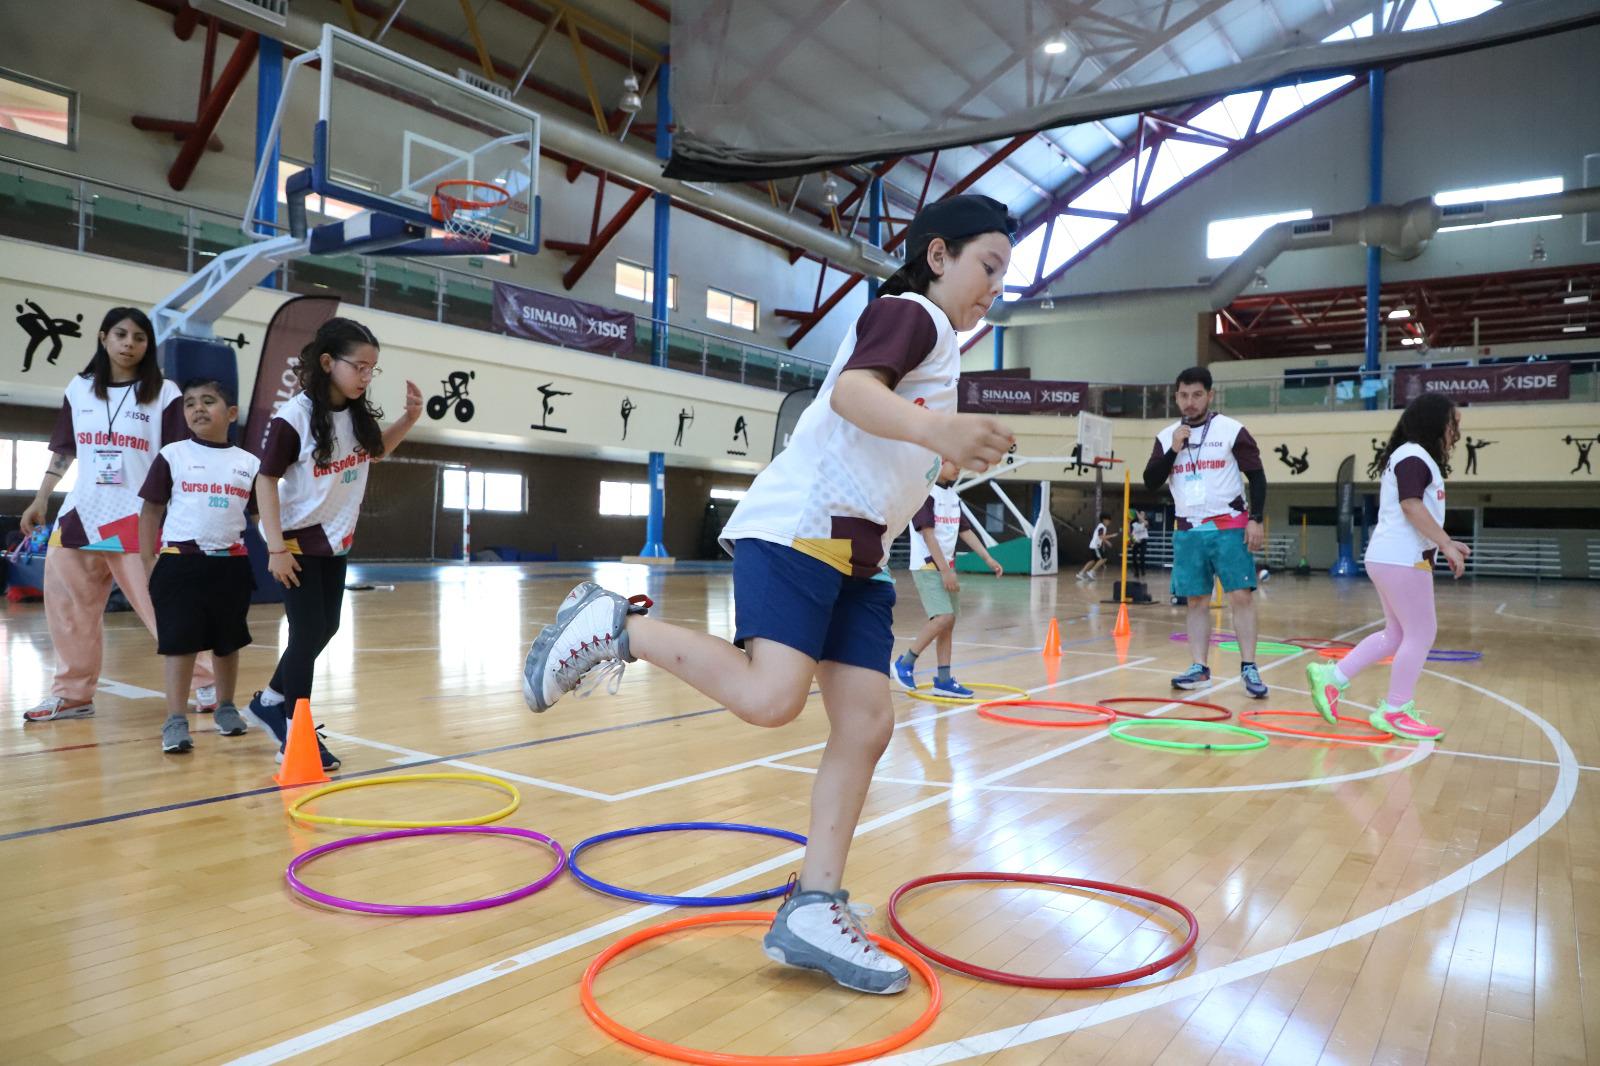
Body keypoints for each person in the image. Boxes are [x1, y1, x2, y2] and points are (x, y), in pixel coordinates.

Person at [521, 195, 1018, 995]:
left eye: (1003, 276)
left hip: (861, 553)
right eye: (988, 266)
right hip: (805, 527)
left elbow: (892, 436)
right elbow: (857, 393)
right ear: (938, 255)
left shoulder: (942, 351)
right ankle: (618, 624)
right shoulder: (913, 312)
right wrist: (937, 435)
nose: (994, 286)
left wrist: (946, 450)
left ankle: (813, 906)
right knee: (770, 697)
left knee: (867, 722)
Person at [18, 307, 219, 722]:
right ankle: (73, 694)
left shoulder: (165, 393)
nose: (129, 344)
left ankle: (208, 684)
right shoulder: (79, 388)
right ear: (104, 336)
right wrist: (41, 498)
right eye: (121, 335)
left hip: (138, 518)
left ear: (148, 346)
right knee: (69, 611)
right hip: (80, 514)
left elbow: (177, 458)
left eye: (139, 338)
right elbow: (65, 448)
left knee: (165, 606)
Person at [247, 318, 422, 770]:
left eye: (372, 370)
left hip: (336, 540)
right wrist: (276, 548)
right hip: (297, 541)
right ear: (328, 363)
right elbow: (265, 480)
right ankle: (294, 733)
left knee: (326, 629)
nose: (366, 377)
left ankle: (270, 700)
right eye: (359, 367)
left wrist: (409, 418)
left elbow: (374, 452)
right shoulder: (294, 418)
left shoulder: (356, 413)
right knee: (307, 633)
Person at [1307, 393, 1467, 740]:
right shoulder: (1413, 455)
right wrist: (1444, 542)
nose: (1457, 432)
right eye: (1454, 424)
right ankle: (1395, 709)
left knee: (1396, 634)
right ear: (1437, 423)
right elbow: (1410, 506)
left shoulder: (1415, 457)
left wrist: (1444, 540)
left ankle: (1331, 678)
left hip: (1395, 557)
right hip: (1402, 558)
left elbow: (1414, 509)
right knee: (1421, 633)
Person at [137, 379, 259, 753]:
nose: (198, 408)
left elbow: (259, 516)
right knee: (180, 645)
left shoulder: (250, 463)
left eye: (209, 401)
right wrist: (147, 559)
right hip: (180, 564)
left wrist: (281, 550)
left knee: (228, 641)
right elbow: (151, 510)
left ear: (231, 413)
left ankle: (225, 707)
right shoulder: (172, 455)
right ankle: (175, 720)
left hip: (231, 566)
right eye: (190, 403)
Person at [1142, 366, 1270, 699]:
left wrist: (1256, 518)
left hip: (1229, 525)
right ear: (1176, 397)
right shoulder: (1167, 436)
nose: (1190, 402)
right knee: (1196, 600)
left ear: (1210, 395)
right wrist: (1173, 449)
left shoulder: (1231, 430)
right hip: (1188, 529)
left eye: (1197, 395)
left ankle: (1249, 667)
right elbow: (1150, 480)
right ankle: (1199, 667)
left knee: (1240, 596)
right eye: (1184, 395)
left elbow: (1257, 476)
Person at [892, 460, 1005, 696]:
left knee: (948, 622)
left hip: (946, 567)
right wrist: (945, 570)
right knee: (943, 617)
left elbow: (966, 531)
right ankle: (905, 662)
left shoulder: (953, 497)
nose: (958, 468)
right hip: (928, 567)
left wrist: (988, 559)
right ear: (938, 463)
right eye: (953, 463)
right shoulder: (925, 494)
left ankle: (943, 680)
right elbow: (928, 536)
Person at [1075, 513, 1116, 580]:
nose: (1109, 522)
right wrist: (1111, 536)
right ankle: (1091, 572)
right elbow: (1101, 536)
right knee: (1103, 558)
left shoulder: (1102, 527)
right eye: (1108, 520)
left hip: (1093, 546)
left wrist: (1107, 542)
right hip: (1096, 546)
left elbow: (1101, 537)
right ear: (1104, 520)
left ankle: (1081, 573)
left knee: (1092, 561)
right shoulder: (1102, 527)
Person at [1130, 510, 1149, 579]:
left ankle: (1143, 570)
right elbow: (1132, 534)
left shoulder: (1145, 522)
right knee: (1134, 557)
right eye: (1140, 514)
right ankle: (1136, 572)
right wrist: (1133, 542)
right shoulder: (1134, 524)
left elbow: (1146, 524)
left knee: (1142, 556)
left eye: (1142, 514)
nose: (1141, 515)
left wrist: (1141, 517)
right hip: (1136, 541)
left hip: (1143, 541)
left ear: (1144, 516)